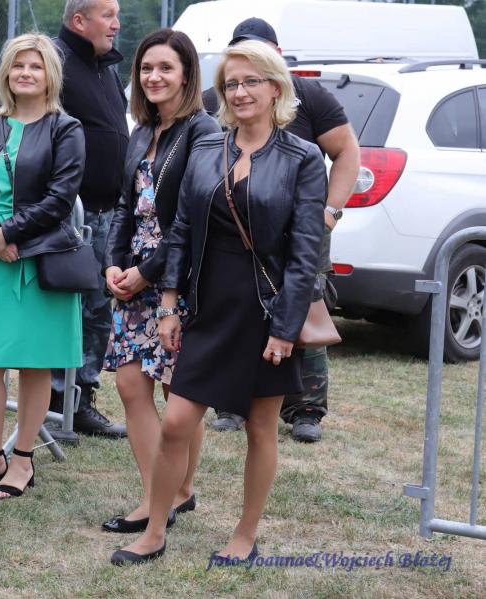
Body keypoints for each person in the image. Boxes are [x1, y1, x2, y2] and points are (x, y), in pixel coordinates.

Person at [110, 40, 327, 565]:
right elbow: (183, 229)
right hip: (206, 306)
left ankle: (245, 536)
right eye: (231, 83)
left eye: (252, 81)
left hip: (265, 310)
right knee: (176, 422)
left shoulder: (302, 158)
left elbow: (305, 255)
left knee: (260, 427)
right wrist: (168, 303)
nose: (240, 91)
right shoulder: (210, 147)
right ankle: (154, 530)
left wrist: (285, 329)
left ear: (275, 88)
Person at [202, 18, 360, 442]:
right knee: (235, 309)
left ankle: (306, 408)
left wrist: (330, 212)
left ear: (276, 56)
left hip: (302, 225)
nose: (241, 89)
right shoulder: (217, 97)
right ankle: (230, 404)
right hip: (238, 228)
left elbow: (347, 151)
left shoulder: (309, 94)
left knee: (305, 305)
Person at [100, 29, 219, 534]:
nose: (154, 77)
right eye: (147, 68)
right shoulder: (142, 130)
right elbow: (124, 206)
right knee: (131, 384)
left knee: (177, 393)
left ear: (187, 74)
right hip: (133, 278)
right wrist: (112, 263)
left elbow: (193, 218)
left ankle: (176, 493)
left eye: (166, 68)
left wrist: (147, 272)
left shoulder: (204, 130)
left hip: (179, 278)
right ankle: (157, 496)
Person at [0, 33, 85, 499]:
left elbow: (60, 197)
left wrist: (10, 234)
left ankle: (24, 459)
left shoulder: (66, 129)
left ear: (50, 74)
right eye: (17, 65)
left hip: (42, 261)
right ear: (6, 74)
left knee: (35, 364)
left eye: (35, 66)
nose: (25, 73)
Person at [47, 0, 129, 441]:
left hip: (107, 213)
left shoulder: (106, 68)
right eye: (108, 15)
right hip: (69, 216)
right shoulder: (53, 61)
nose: (117, 23)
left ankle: (80, 401)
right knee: (66, 311)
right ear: (79, 20)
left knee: (98, 311)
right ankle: (54, 403)